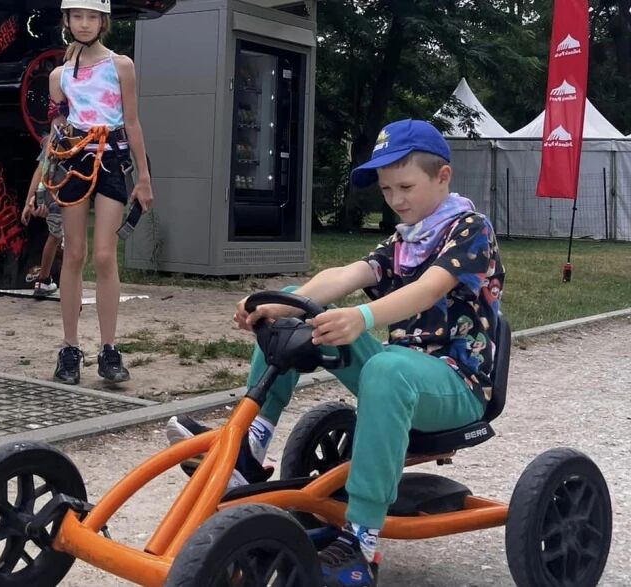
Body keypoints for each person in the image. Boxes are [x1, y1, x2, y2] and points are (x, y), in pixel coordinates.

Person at [166, 120, 506, 586]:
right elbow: (347, 273)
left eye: (406, 187)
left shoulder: (470, 229)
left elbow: (430, 288)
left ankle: (361, 544)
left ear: (442, 176)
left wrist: (363, 318)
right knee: (294, 314)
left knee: (386, 367)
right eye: (386, 190)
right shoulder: (406, 238)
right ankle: (249, 448)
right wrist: (280, 303)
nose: (396, 199)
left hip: (456, 385)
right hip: (401, 375)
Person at [45, 0, 153, 384]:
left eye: (92, 17)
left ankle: (109, 349)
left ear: (103, 21)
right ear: (67, 19)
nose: (84, 23)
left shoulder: (121, 66)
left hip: (112, 161)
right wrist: (40, 182)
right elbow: (56, 131)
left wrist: (144, 177)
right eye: (77, 16)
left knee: (105, 255)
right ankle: (70, 348)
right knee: (73, 253)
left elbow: (132, 122)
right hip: (74, 162)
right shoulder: (59, 76)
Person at [21, 137, 62, 298]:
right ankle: (59, 282)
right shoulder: (59, 139)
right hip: (67, 192)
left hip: (54, 193)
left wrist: (30, 201)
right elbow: (41, 169)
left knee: (55, 236)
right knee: (70, 241)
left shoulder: (53, 139)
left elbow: (41, 169)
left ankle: (43, 279)